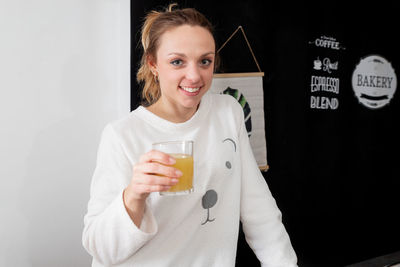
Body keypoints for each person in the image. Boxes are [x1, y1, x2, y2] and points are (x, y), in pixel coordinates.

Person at [82, 3, 298, 267]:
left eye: (204, 61)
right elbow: (101, 248)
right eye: (177, 62)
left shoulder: (228, 112)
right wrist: (134, 194)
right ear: (153, 63)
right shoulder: (123, 135)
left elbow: (259, 210)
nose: (194, 76)